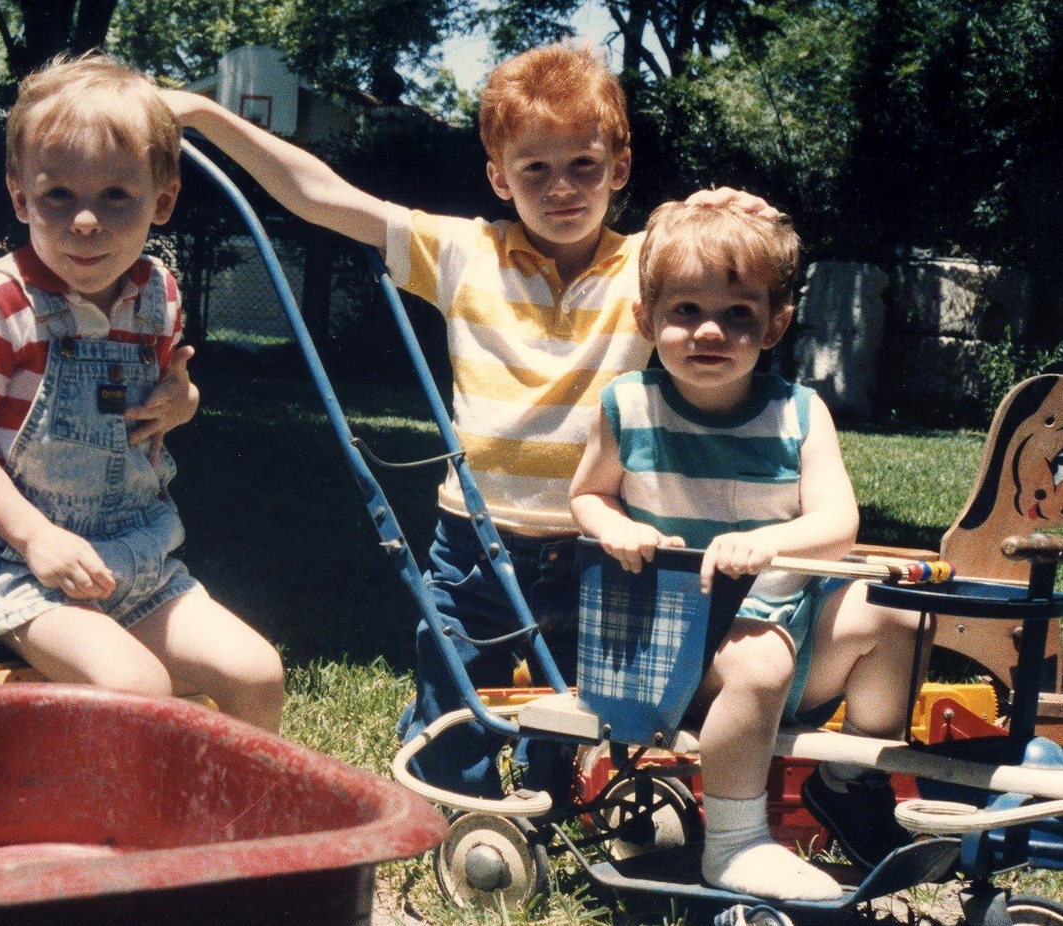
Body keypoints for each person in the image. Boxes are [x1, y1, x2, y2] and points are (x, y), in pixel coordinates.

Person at [166, 43, 774, 791]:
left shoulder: (653, 269)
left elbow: (740, 259)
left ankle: (554, 799)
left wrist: (734, 211)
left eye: (584, 166)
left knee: (587, 714)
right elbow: (318, 194)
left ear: (619, 169)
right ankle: (448, 800)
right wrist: (200, 115)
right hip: (475, 539)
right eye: (536, 170)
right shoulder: (464, 253)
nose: (562, 189)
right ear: (499, 177)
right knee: (451, 700)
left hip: (604, 542)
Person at [569, 200, 922, 899]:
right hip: (670, 650)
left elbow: (837, 521)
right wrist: (619, 528)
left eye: (738, 314)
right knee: (760, 655)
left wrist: (767, 543)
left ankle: (848, 783)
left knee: (894, 613)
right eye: (686, 310)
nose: (710, 331)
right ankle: (733, 843)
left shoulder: (798, 412)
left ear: (776, 324)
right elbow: (587, 496)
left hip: (782, 638)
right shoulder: (628, 406)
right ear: (646, 318)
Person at [0, 54, 284, 732]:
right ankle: (129, 835)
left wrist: (182, 401)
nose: (86, 222)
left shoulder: (157, 295)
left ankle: (232, 834)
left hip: (138, 557)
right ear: (20, 198)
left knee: (258, 673)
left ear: (162, 200)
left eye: (115, 197)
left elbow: (166, 393)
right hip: (24, 566)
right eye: (58, 196)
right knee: (139, 688)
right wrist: (35, 536)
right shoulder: (4, 301)